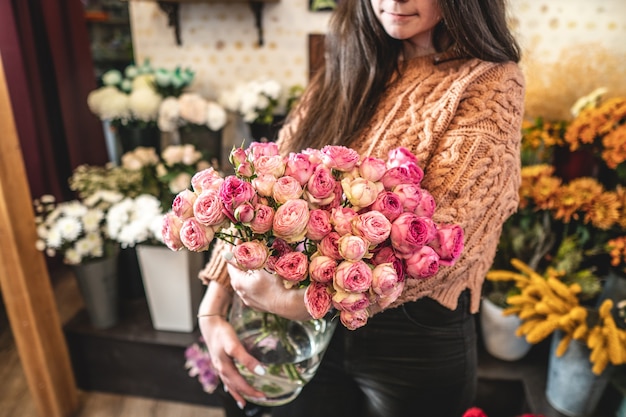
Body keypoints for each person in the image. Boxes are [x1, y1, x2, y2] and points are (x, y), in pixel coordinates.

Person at [197, 0, 524, 416]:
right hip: (307, 326)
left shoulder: (491, 81)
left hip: (413, 339)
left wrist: (296, 304)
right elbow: (264, 184)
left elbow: (450, 234)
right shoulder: (347, 62)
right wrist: (214, 302)